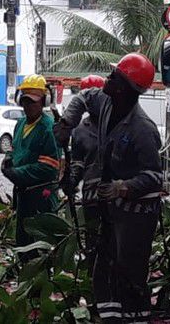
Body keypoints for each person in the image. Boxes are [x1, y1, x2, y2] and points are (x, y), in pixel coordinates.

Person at [55, 54, 163, 324]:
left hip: (137, 214)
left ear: (125, 87)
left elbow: (154, 177)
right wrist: (68, 122)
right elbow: (83, 97)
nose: (109, 78)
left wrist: (123, 188)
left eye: (115, 76)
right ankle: (109, 317)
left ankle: (135, 318)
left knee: (130, 271)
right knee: (104, 266)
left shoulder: (142, 129)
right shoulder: (104, 102)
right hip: (109, 210)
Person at [1, 74, 63, 259]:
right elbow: (14, 149)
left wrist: (17, 173)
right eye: (26, 101)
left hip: (41, 195)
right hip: (23, 193)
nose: (29, 106)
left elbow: (49, 167)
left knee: (39, 245)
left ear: (44, 101)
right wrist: (8, 160)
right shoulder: (20, 124)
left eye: (34, 102)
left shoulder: (48, 127)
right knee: (22, 240)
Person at [64, 74, 106, 271]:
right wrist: (70, 180)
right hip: (92, 199)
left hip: (117, 199)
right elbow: (78, 163)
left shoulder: (116, 123)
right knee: (93, 245)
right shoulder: (80, 131)